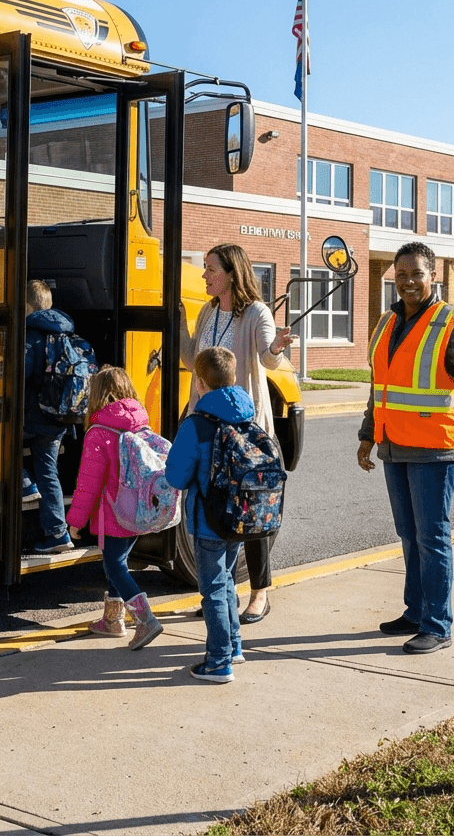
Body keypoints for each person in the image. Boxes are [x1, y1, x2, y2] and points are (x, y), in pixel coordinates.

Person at [357, 241, 454, 655]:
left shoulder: (450, 322)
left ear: (432, 276)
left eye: (416, 274)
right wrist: (368, 436)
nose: (407, 282)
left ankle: (438, 625)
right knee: (409, 533)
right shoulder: (386, 322)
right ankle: (415, 612)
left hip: (435, 449)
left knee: (432, 536)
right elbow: (379, 386)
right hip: (394, 445)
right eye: (400, 275)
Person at [179, 243, 293, 624]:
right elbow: (193, 359)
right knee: (214, 512)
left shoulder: (256, 312)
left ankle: (260, 593)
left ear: (231, 273)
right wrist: (178, 324)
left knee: (253, 510)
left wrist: (276, 346)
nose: (204, 275)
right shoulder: (207, 310)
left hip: (246, 431)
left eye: (210, 269)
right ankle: (220, 592)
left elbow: (266, 355)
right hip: (209, 429)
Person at [165, 347, 252, 683]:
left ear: (199, 382)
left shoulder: (197, 425)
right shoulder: (246, 416)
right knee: (227, 581)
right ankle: (233, 645)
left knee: (213, 588)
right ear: (233, 379)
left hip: (209, 520)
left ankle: (218, 662)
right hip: (240, 516)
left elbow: (176, 477)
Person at [66, 366, 164, 651]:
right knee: (116, 562)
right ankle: (112, 621)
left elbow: (89, 483)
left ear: (97, 393)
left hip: (114, 513)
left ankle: (145, 620)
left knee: (115, 566)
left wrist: (76, 520)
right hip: (138, 511)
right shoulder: (138, 423)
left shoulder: (99, 432)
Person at [22, 279, 74, 555]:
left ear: (27, 306)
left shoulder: (31, 334)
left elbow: (20, 374)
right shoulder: (64, 333)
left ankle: (24, 483)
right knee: (49, 472)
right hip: (58, 419)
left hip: (32, 417)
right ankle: (57, 534)